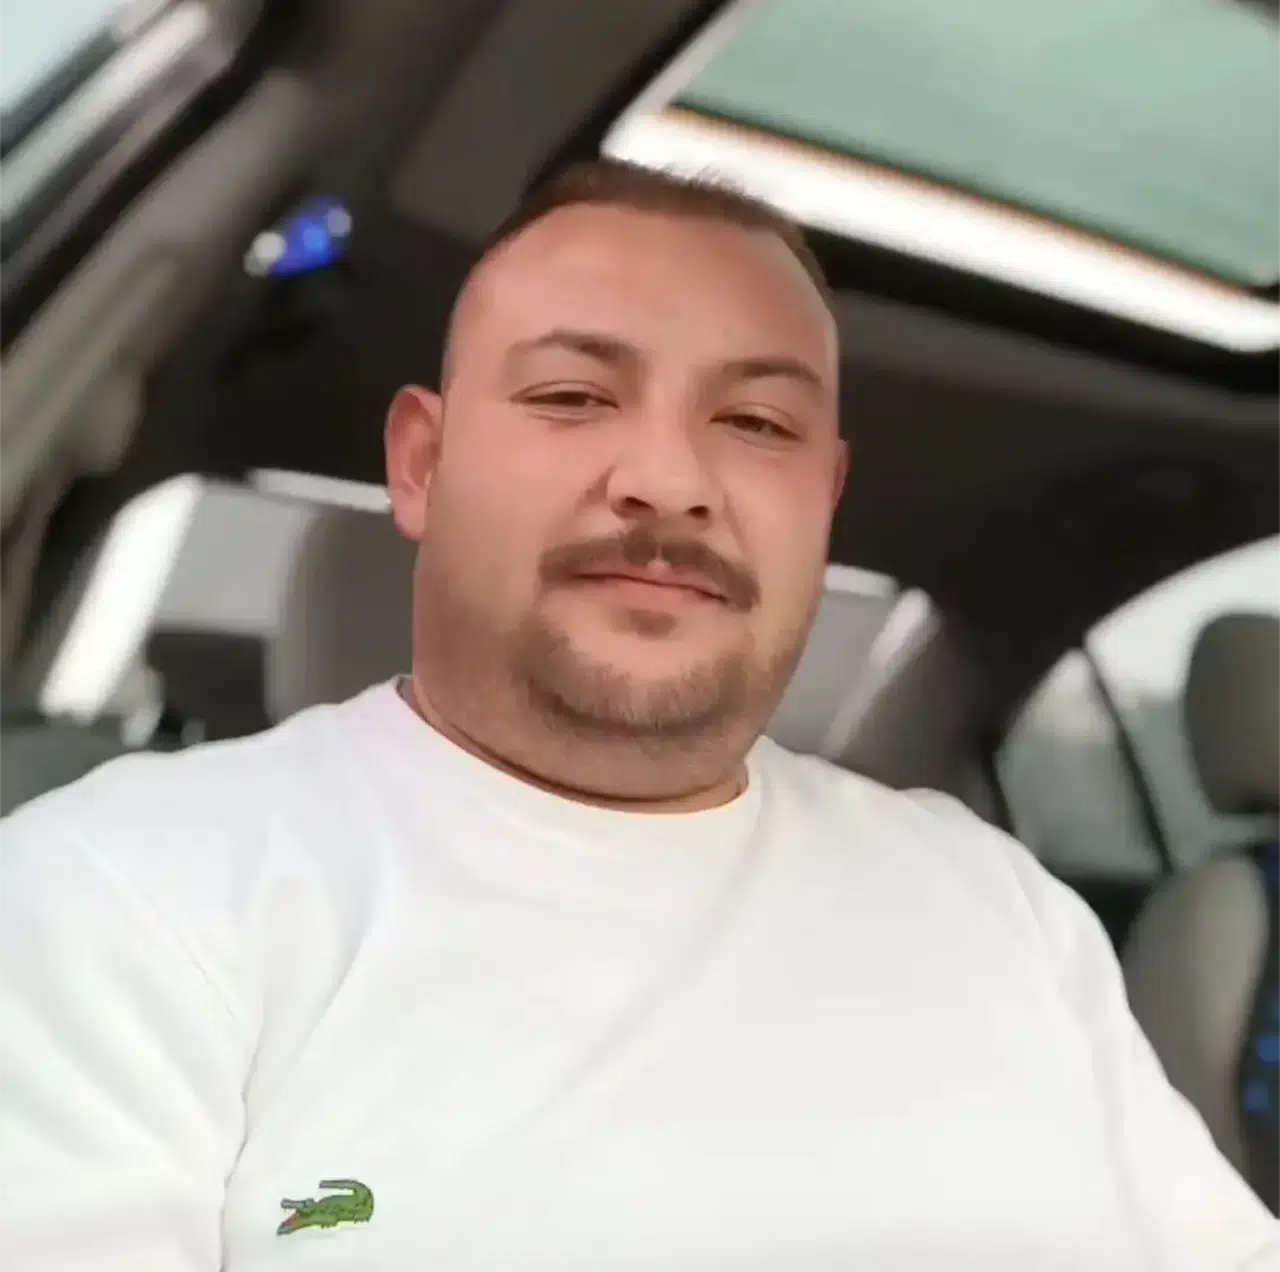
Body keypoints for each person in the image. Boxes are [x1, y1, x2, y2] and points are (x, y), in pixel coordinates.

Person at [0, 160, 1274, 1272]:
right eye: (570, 396)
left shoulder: (995, 905)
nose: (667, 481)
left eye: (756, 423)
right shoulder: (123, 892)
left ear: (823, 501)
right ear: (423, 465)